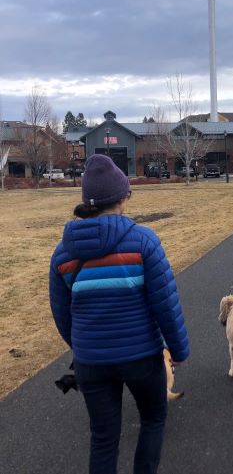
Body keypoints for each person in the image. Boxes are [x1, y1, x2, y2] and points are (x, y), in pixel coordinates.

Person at [49, 154, 190, 474]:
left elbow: (61, 312)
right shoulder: (143, 242)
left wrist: (81, 345)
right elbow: (165, 303)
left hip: (91, 362)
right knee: (153, 419)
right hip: (141, 356)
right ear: (121, 198)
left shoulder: (62, 253)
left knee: (103, 438)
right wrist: (178, 350)